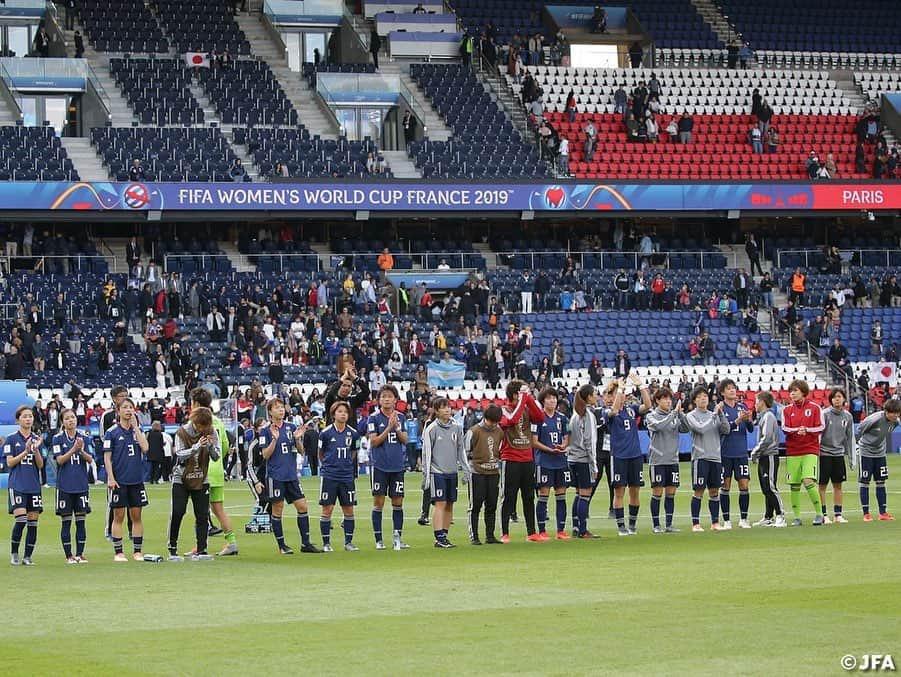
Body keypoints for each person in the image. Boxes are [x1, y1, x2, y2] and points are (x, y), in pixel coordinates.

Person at [258, 398, 322, 554]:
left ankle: (305, 543)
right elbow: (265, 455)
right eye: (277, 407)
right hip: (275, 476)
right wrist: (274, 439)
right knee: (277, 509)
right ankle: (282, 546)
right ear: (270, 411)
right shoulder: (265, 431)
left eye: (282, 407)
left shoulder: (291, 427)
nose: (281, 410)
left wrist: (298, 439)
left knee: (302, 506)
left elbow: (301, 452)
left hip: (291, 475)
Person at [167, 406, 220, 561]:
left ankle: (202, 549)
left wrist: (209, 446)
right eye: (200, 426)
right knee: (178, 511)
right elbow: (179, 454)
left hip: (201, 477)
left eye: (206, 426)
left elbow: (216, 457)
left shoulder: (212, 431)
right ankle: (172, 547)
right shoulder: (182, 432)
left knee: (202, 514)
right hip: (181, 477)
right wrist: (196, 447)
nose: (203, 429)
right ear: (194, 422)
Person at [190, 387, 238, 557]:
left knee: (200, 511)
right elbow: (224, 446)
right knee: (218, 509)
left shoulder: (196, 422)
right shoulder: (217, 421)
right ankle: (231, 542)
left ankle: (200, 546)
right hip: (217, 470)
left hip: (202, 472)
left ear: (195, 403)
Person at [103, 398, 150, 561]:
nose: (128, 410)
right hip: (119, 481)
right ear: (118, 411)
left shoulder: (138, 430)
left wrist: (136, 427)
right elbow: (107, 458)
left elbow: (145, 448)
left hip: (136, 480)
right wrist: (111, 478)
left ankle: (137, 551)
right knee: (119, 516)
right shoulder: (112, 432)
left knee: (136, 516)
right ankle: (119, 552)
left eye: (130, 407)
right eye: (124, 407)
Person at [498, 379, 545, 542]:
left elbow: (540, 418)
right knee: (508, 496)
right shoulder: (503, 409)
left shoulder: (525, 407)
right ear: (515, 394)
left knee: (529, 496)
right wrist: (523, 400)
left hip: (527, 457)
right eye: (523, 392)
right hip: (510, 458)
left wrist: (529, 400)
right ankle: (504, 532)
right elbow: (510, 420)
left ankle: (532, 532)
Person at [606, 372, 652, 536]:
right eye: (614, 394)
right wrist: (619, 390)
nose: (620, 396)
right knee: (619, 492)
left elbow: (647, 405)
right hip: (619, 456)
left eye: (621, 393)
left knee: (635, 490)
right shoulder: (607, 412)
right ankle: (621, 526)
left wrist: (641, 386)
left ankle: (632, 525)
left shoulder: (631, 410)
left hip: (635, 456)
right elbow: (614, 409)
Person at [421, 397, 470, 548]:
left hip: (452, 471)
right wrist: (426, 475)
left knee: (450, 503)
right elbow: (426, 452)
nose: (447, 410)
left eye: (448, 407)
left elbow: (461, 449)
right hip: (437, 472)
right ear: (436, 411)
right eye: (443, 407)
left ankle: (445, 535)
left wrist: (466, 469)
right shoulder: (431, 429)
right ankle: (438, 537)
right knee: (440, 503)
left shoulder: (457, 427)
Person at [367, 384, 410, 550]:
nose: (386, 399)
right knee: (378, 502)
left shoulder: (401, 417)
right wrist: (389, 428)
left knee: (398, 501)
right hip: (380, 466)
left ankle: (397, 538)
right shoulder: (374, 418)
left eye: (389, 396)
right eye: (383, 396)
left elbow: (406, 440)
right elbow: (374, 441)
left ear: (395, 399)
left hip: (397, 466)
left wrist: (397, 427)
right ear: (379, 400)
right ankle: (378, 540)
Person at [684, 387, 730, 531]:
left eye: (705, 396)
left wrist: (721, 414)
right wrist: (715, 415)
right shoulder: (691, 415)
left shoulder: (714, 414)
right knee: (699, 490)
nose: (703, 399)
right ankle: (695, 524)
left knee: (714, 491)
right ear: (694, 400)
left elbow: (726, 429)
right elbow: (701, 428)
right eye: (700, 397)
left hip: (715, 457)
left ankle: (715, 523)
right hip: (700, 457)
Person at [52, 409, 95, 563]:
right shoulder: (57, 438)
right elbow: (60, 460)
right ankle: (68, 555)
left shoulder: (85, 437)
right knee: (66, 521)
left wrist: (81, 450)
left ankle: (80, 554)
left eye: (73, 417)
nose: (71, 420)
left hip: (81, 485)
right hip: (64, 486)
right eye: (67, 418)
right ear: (62, 422)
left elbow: (90, 459)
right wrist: (73, 449)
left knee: (81, 521)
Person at [781, 379, 824, 526]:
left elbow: (821, 427)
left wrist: (807, 430)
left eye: (795, 390)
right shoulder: (786, 410)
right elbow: (785, 428)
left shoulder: (815, 408)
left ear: (803, 392)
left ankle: (819, 514)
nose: (792, 394)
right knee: (794, 484)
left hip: (810, 450)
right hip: (793, 451)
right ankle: (797, 517)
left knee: (808, 480)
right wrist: (796, 430)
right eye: (791, 391)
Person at [318, 401, 360, 552]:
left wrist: (347, 464)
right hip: (330, 476)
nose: (343, 414)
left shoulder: (354, 433)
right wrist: (330, 466)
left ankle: (348, 542)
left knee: (348, 510)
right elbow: (320, 454)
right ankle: (326, 543)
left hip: (347, 476)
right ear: (333, 414)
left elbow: (355, 451)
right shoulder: (325, 433)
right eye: (340, 411)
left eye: (345, 412)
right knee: (327, 509)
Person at [6, 405, 44, 566]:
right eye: (24, 416)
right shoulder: (11, 439)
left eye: (30, 416)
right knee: (21, 520)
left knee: (33, 523)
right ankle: (14, 553)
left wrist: (35, 450)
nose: (28, 419)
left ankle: (27, 556)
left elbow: (40, 465)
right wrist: (25, 450)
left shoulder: (36, 438)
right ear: (18, 420)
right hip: (17, 485)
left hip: (34, 486)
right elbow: (10, 463)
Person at [645, 387, 686, 533]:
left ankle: (669, 524)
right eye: (665, 399)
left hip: (673, 460)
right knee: (657, 493)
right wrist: (674, 413)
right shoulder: (652, 416)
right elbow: (659, 426)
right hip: (658, 460)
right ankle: (656, 525)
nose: (669, 401)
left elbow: (686, 428)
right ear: (657, 400)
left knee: (671, 493)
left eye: (670, 399)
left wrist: (680, 415)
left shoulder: (674, 415)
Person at [531, 387, 571, 540]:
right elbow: (534, 442)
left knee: (561, 495)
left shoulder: (562, 418)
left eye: (554, 398)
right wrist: (549, 449)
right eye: (548, 398)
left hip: (560, 461)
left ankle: (560, 530)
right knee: (543, 495)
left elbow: (566, 436)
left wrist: (563, 446)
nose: (552, 401)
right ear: (543, 401)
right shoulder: (538, 418)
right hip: (544, 462)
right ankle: (542, 530)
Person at [855, 399, 901, 522]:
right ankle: (866, 514)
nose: (896, 415)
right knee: (865, 482)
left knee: (881, 482)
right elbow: (859, 430)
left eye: (898, 413)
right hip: (866, 453)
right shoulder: (873, 419)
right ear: (886, 412)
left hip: (880, 453)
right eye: (894, 413)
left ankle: (883, 513)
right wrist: (857, 446)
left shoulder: (895, 422)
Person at [465, 404, 504, 545]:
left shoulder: (499, 431)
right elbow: (465, 451)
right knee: (475, 505)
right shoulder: (474, 431)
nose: (493, 425)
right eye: (491, 421)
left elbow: (500, 449)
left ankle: (490, 535)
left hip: (493, 472)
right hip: (477, 472)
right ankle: (474, 536)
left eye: (496, 422)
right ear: (485, 418)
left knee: (492, 505)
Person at [718, 379, 753, 529]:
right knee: (725, 486)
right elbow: (722, 429)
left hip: (741, 453)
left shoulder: (742, 406)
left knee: (744, 485)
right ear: (722, 393)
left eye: (734, 388)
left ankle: (743, 519)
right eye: (729, 389)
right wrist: (738, 420)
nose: (732, 391)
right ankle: (726, 520)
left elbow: (750, 429)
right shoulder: (720, 409)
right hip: (725, 453)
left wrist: (749, 420)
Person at [818, 388, 855, 524]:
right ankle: (823, 514)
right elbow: (819, 435)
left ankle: (838, 514)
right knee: (822, 485)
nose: (837, 399)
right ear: (831, 400)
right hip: (824, 454)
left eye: (839, 396)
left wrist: (852, 457)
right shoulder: (825, 414)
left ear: (844, 399)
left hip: (838, 454)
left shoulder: (848, 416)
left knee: (838, 485)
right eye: (834, 397)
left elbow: (850, 438)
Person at [748, 391, 785, 526]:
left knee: (770, 486)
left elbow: (767, 437)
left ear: (762, 402)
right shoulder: (763, 417)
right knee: (765, 487)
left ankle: (780, 515)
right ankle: (768, 516)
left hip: (769, 455)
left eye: (756, 401)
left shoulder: (768, 416)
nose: (755, 404)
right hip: (764, 456)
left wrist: (755, 451)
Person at [566, 385, 598, 538]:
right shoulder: (588, 416)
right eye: (594, 394)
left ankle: (576, 527)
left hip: (572, 458)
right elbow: (589, 442)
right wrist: (594, 465)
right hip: (583, 460)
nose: (596, 396)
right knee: (585, 493)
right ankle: (583, 530)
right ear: (589, 397)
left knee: (578, 494)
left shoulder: (574, 415)